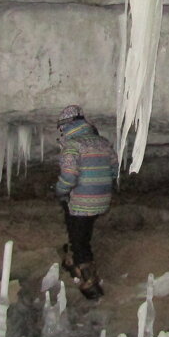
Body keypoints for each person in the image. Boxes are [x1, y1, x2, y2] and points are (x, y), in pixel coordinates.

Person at [54, 104, 118, 299]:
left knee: (80, 241)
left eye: (61, 127)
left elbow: (69, 177)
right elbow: (114, 170)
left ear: (66, 125)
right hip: (102, 200)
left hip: (82, 202)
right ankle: (72, 256)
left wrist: (60, 191)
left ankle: (89, 283)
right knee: (83, 230)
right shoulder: (104, 143)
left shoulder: (72, 146)